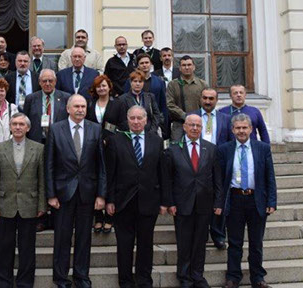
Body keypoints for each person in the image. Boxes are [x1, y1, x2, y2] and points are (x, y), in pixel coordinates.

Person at [105, 106, 170, 288]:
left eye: (139, 118)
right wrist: (109, 200)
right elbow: (110, 173)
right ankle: (125, 281)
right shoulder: (116, 141)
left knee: (146, 244)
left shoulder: (156, 141)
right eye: (132, 118)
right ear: (127, 120)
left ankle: (144, 280)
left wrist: (165, 201)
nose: (135, 122)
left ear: (146, 120)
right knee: (124, 245)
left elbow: (163, 173)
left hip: (149, 201)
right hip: (123, 202)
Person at [46, 94, 106, 288]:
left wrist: (101, 194)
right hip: (63, 194)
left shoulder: (96, 129)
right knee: (62, 238)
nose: (80, 110)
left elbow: (101, 165)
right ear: (68, 108)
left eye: (83, 106)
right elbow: (49, 164)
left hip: (87, 193)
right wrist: (51, 195)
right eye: (77, 106)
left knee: (84, 238)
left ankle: (81, 277)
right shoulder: (56, 129)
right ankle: (61, 278)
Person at [218, 114, 277, 288]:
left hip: (256, 200)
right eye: (238, 128)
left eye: (245, 127)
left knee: (256, 243)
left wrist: (271, 201)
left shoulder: (262, 148)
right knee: (234, 243)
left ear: (251, 129)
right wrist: (219, 203)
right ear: (232, 130)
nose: (241, 131)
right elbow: (219, 180)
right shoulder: (224, 149)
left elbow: (270, 177)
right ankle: (233, 277)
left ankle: (257, 277)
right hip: (234, 199)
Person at [0, 113, 46, 288]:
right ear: (10, 127)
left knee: (27, 248)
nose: (18, 127)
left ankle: (25, 283)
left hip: (30, 204)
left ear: (28, 128)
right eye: (14, 124)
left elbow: (42, 179)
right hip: (5, 204)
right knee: (4, 247)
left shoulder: (38, 148)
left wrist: (42, 205)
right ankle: (3, 282)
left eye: (21, 124)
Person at [167, 114, 223, 288]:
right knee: (184, 243)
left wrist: (218, 202)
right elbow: (168, 179)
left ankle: (198, 275)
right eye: (191, 125)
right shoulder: (173, 149)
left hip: (204, 203)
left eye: (198, 125)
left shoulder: (211, 149)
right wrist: (170, 202)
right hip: (182, 204)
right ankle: (184, 277)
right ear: (184, 127)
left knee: (200, 242)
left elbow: (217, 179)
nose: (194, 128)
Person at [191, 87, 233, 249]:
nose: (207, 101)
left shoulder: (226, 119)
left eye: (211, 98)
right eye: (205, 98)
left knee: (219, 198)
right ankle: (199, 233)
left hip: (218, 164)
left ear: (216, 100)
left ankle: (218, 234)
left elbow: (230, 142)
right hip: (197, 163)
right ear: (200, 99)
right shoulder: (191, 116)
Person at [85, 75, 124, 234]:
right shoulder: (90, 104)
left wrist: (109, 139)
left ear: (109, 87)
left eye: (104, 86)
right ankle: (98, 217)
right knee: (95, 177)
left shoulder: (118, 104)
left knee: (110, 177)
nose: (101, 89)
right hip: (93, 147)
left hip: (111, 147)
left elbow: (122, 124)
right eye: (98, 86)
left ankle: (109, 217)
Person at [22, 69, 70, 144]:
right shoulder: (30, 99)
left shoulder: (66, 98)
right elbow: (25, 121)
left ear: (55, 81)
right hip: (36, 141)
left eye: (50, 81)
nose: (47, 84)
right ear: (39, 82)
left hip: (59, 141)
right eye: (44, 81)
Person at [123, 53, 169, 133]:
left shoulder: (159, 81)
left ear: (151, 64)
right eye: (142, 63)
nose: (144, 65)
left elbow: (163, 104)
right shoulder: (130, 81)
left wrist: (162, 123)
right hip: (134, 123)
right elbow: (126, 100)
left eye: (147, 62)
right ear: (138, 66)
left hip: (154, 123)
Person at [166, 56, 208, 141]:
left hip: (198, 124)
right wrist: (184, 116)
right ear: (180, 68)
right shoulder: (173, 85)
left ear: (194, 67)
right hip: (179, 124)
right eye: (184, 65)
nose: (187, 67)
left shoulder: (202, 85)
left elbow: (207, 103)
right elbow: (169, 104)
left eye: (189, 65)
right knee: (177, 147)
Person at [118, 71, 164, 135]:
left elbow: (156, 115)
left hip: (150, 132)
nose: (138, 84)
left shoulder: (150, 97)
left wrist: (152, 131)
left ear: (143, 83)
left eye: (140, 81)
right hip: (131, 134)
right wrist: (133, 131)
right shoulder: (122, 99)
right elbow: (123, 120)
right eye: (135, 81)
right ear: (130, 82)